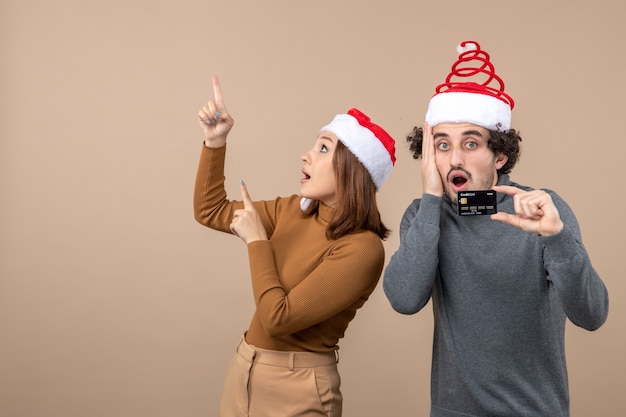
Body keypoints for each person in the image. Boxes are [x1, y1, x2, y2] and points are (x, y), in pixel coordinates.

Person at [383, 40, 609, 417]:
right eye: (442, 145)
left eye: (470, 143)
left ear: (499, 155)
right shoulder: (424, 215)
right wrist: (430, 201)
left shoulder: (542, 209)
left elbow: (592, 314)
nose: (455, 157)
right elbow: (404, 300)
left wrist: (557, 238)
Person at [194, 75, 396, 417]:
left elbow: (278, 318)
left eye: (322, 148)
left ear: (352, 169)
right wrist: (215, 143)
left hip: (298, 387)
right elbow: (209, 210)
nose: (306, 155)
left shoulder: (363, 248)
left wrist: (258, 241)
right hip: (244, 369)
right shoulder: (291, 210)